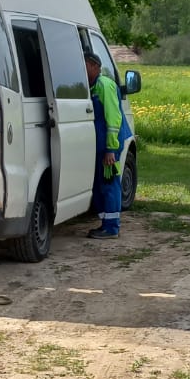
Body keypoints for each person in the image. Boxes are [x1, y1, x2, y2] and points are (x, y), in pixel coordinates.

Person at [84, 48, 123, 239]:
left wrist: (111, 150)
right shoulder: (90, 86)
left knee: (108, 184)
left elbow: (114, 120)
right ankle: (105, 224)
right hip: (99, 146)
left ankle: (111, 227)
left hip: (109, 147)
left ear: (94, 66)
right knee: (100, 185)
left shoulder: (104, 86)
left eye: (84, 65)